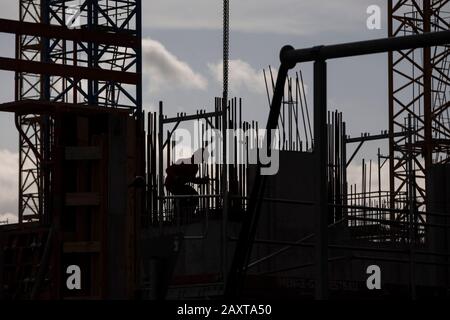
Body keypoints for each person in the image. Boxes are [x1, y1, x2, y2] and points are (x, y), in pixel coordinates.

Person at [164, 148, 209, 220]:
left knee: (193, 195)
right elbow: (168, 169)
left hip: (180, 186)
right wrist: (176, 177)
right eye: (202, 159)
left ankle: (186, 214)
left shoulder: (195, 167)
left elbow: (191, 179)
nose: (202, 161)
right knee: (185, 196)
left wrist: (202, 181)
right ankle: (180, 215)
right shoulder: (183, 161)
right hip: (171, 184)